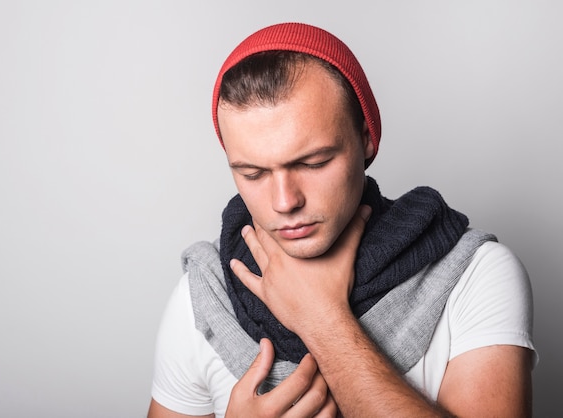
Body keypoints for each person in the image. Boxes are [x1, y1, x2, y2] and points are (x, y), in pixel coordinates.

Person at [147, 22, 537, 417]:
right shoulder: (205, 294)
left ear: (366, 139)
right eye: (253, 173)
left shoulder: (473, 275)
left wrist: (322, 318)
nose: (284, 202)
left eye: (314, 163)